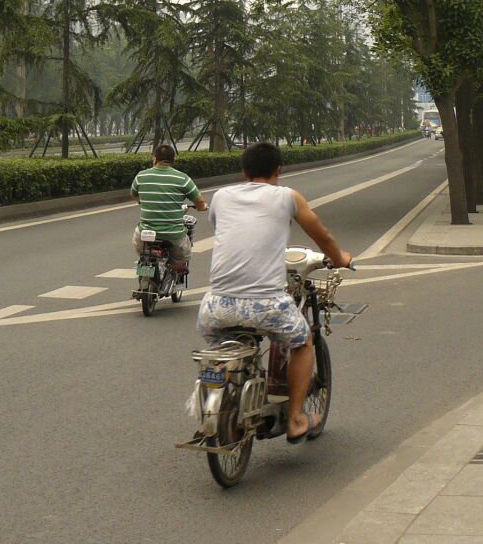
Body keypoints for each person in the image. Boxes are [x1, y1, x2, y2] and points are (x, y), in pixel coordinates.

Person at [198, 141, 352, 443]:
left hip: (214, 307)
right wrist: (339, 258)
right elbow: (322, 236)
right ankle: (295, 420)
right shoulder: (288, 197)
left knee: (221, 349)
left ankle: (230, 394)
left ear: (244, 172)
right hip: (265, 304)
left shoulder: (221, 196)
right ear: (279, 170)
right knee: (303, 343)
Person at [131, 144, 207, 274]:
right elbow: (199, 201)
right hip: (173, 235)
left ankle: (144, 274)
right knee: (182, 258)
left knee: (143, 254)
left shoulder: (141, 176)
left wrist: (142, 201)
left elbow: (134, 195)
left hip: (145, 234)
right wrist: (202, 207)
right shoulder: (182, 178)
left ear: (155, 159)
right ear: (173, 161)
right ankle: (176, 269)